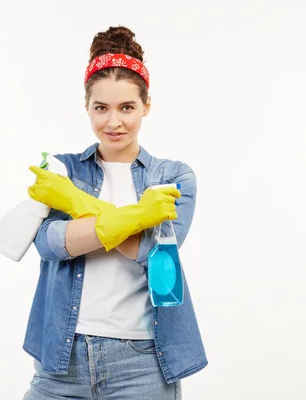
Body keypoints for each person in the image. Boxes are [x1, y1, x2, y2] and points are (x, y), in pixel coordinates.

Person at [20, 26, 207, 400]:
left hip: (142, 363)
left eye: (127, 108)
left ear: (146, 106)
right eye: (101, 108)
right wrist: (137, 218)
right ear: (87, 106)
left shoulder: (172, 177)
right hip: (62, 359)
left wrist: (74, 203)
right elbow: (51, 243)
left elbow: (155, 256)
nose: (113, 122)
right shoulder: (63, 170)